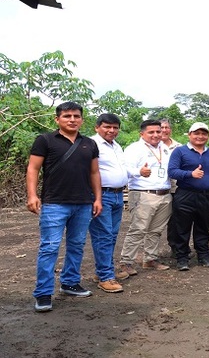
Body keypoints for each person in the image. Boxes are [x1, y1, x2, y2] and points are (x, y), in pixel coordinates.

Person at [26, 101, 101, 312]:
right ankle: (43, 293)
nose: (72, 120)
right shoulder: (45, 140)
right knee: (49, 247)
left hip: (83, 203)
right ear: (57, 119)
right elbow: (33, 169)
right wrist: (32, 195)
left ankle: (70, 282)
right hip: (54, 203)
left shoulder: (89, 144)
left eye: (76, 116)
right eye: (67, 116)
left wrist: (97, 199)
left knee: (77, 246)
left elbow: (94, 173)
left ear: (82, 119)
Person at [118, 120, 172, 275]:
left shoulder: (165, 148)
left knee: (156, 230)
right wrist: (139, 172)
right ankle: (126, 261)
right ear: (142, 134)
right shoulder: (134, 149)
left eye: (158, 131)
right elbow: (125, 169)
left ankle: (150, 259)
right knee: (138, 229)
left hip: (164, 194)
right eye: (151, 132)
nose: (156, 135)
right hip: (143, 193)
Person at [168, 122, 209, 270]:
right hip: (185, 195)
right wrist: (191, 174)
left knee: (204, 227)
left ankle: (203, 256)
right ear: (189, 135)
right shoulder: (180, 152)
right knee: (181, 228)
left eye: (204, 134)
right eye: (196, 133)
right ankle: (182, 258)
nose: (200, 136)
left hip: (206, 196)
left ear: (208, 136)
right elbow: (172, 171)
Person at [89, 113, 130, 293]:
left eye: (115, 127)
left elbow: (122, 168)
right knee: (103, 235)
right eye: (107, 127)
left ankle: (103, 270)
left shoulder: (116, 146)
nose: (111, 130)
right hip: (101, 195)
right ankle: (106, 276)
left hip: (117, 195)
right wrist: (95, 197)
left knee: (111, 235)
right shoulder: (91, 144)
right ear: (97, 127)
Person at [160, 119, 182, 257]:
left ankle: (175, 247)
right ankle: (150, 254)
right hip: (159, 188)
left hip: (175, 188)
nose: (164, 130)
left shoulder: (179, 147)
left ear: (170, 130)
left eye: (167, 127)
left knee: (176, 221)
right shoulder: (152, 146)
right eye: (161, 127)